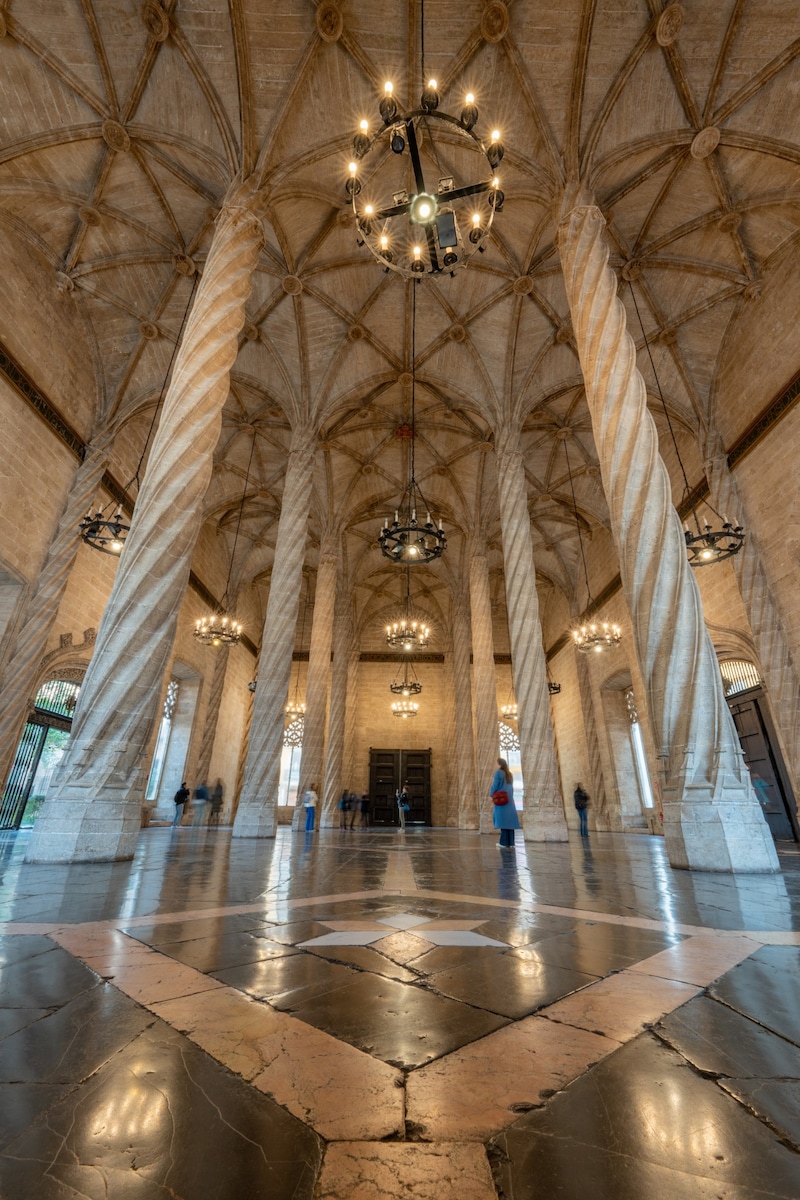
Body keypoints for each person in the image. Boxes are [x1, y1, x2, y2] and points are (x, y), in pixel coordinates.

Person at [490, 757, 520, 848]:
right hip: (509, 800)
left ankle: (503, 842)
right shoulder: (509, 774)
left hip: (502, 800)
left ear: (499, 764)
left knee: (503, 821)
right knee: (509, 822)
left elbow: (495, 785)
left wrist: (491, 794)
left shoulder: (499, 773)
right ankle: (511, 842)